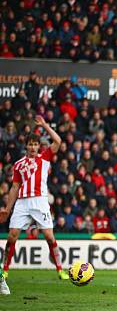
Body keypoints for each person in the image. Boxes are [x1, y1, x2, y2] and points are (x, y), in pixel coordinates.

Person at [0, 116, 70, 295]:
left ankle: (60, 269)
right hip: (23, 202)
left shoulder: (45, 158)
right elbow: (15, 187)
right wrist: (7, 208)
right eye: (30, 144)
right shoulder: (18, 165)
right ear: (26, 146)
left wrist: (45, 125)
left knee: (49, 236)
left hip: (40, 201)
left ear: (39, 146)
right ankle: (5, 271)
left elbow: (58, 140)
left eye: (35, 144)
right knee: (12, 236)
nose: (32, 147)